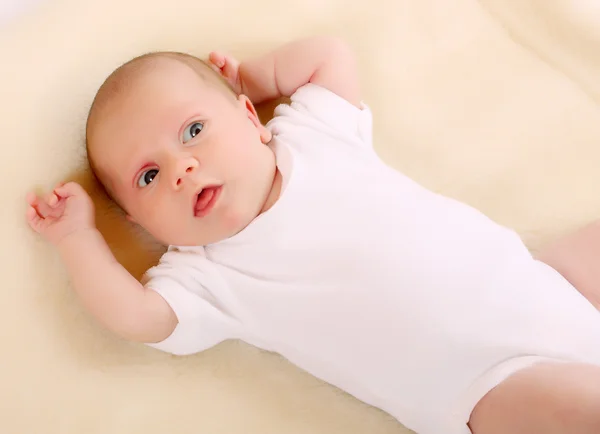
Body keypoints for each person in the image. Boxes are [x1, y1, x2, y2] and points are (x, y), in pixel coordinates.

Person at [25, 36, 600, 434]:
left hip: (542, 284)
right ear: (138, 223)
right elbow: (136, 317)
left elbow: (329, 55)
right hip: (488, 384)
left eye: (195, 130)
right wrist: (77, 239)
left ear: (252, 119)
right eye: (148, 176)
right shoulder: (207, 275)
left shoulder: (311, 134)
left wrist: (250, 74)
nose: (182, 168)